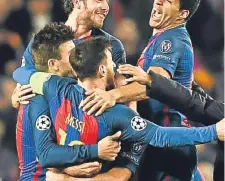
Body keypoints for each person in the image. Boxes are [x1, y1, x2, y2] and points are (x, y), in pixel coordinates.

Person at [27, 36, 224, 181]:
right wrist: (213, 131)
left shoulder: (56, 88)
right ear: (102, 70)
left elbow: (27, 75)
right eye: (111, 62)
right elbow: (162, 136)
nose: (115, 66)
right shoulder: (116, 115)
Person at [79, 0, 205, 181]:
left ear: (182, 14)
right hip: (162, 141)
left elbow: (156, 83)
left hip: (168, 142)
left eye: (169, 0)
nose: (158, 0)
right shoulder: (160, 38)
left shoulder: (172, 39)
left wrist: (113, 96)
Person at [16, 23, 123, 181]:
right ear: (53, 64)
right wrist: (71, 168)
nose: (76, 56)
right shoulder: (37, 100)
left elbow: (19, 73)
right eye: (70, 53)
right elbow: (44, 156)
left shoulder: (65, 92)